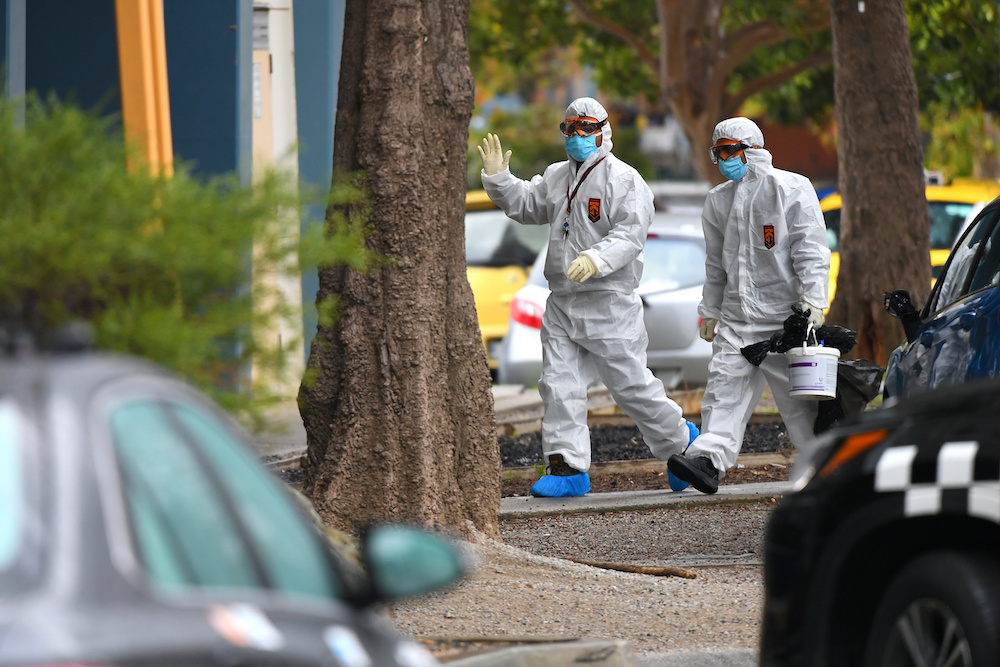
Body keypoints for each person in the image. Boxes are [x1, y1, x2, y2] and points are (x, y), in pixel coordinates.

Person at [477, 96, 698, 498]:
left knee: (629, 385)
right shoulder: (557, 177)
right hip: (561, 300)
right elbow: (527, 205)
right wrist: (500, 180)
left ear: (603, 131)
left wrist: (596, 260)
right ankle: (567, 467)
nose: (577, 136)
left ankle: (680, 443)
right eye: (570, 128)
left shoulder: (624, 180)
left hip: (608, 300)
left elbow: (630, 235)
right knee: (559, 384)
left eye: (586, 128)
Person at [667, 117, 831, 494]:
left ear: (751, 150)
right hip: (738, 321)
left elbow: (811, 250)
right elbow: (715, 264)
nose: (722, 159)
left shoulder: (791, 189)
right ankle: (706, 461)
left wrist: (812, 302)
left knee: (801, 407)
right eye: (717, 152)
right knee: (724, 392)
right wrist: (710, 309)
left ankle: (825, 472)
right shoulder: (718, 201)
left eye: (728, 150)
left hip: (787, 322)